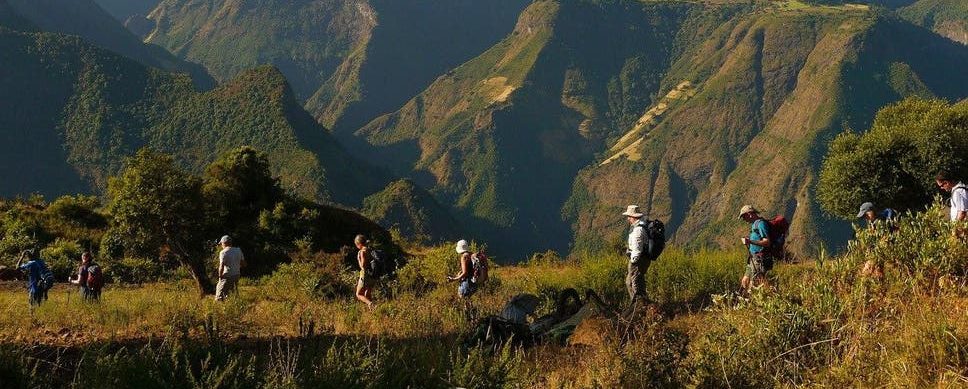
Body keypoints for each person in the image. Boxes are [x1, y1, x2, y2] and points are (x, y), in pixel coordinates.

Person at [856, 202, 898, 278]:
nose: (865, 217)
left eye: (866, 214)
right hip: (881, 251)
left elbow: (885, 239)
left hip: (886, 250)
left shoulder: (881, 221)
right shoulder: (873, 222)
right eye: (864, 216)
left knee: (868, 269)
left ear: (871, 212)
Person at [739, 205, 771, 292]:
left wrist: (750, 242)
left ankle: (763, 299)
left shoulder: (761, 224)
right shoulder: (754, 225)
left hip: (759, 259)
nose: (743, 219)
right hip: (752, 259)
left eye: (743, 216)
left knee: (754, 286)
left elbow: (767, 242)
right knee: (744, 282)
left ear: (749, 214)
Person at [622, 205, 650, 304]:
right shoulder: (640, 226)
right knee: (634, 282)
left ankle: (639, 305)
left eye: (629, 216)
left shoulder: (638, 230)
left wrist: (633, 261)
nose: (628, 218)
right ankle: (641, 304)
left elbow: (637, 248)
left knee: (634, 283)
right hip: (642, 259)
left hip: (638, 260)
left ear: (634, 217)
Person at [215, 235, 245, 301]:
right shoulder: (238, 250)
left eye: (221, 244)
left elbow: (221, 266)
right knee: (233, 292)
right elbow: (243, 264)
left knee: (219, 293)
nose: (221, 245)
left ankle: (218, 307)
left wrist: (220, 277)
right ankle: (235, 305)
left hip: (228, 275)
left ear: (224, 243)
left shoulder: (223, 252)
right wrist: (236, 266)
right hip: (237, 274)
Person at [354, 234, 376, 308]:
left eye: (356, 245)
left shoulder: (362, 252)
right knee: (367, 294)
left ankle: (370, 304)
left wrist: (358, 259)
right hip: (373, 273)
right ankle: (372, 311)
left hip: (365, 274)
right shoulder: (370, 249)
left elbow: (363, 266)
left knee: (358, 294)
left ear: (359, 244)